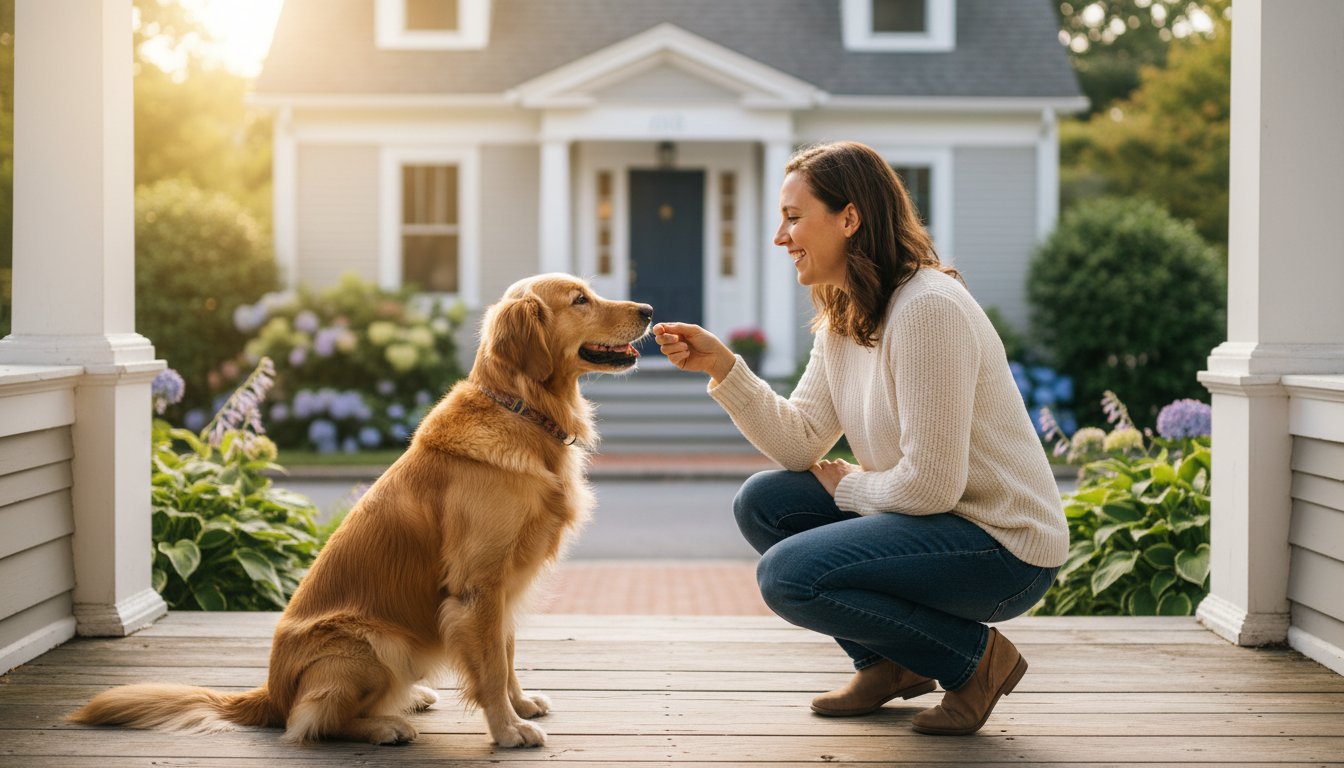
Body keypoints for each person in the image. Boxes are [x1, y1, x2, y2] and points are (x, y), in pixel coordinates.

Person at [652, 140, 1067, 736]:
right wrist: (725, 368)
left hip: (1002, 547)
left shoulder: (928, 309)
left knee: (788, 576)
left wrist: (849, 488)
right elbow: (799, 443)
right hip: (939, 527)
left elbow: (931, 486)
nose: (781, 236)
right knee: (766, 503)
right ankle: (889, 663)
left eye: (794, 217)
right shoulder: (847, 315)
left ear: (849, 218)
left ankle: (975, 661)